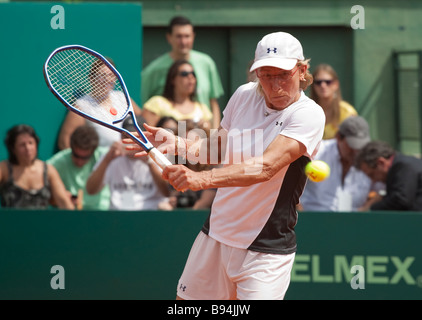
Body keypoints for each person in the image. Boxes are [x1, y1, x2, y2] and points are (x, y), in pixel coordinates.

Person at [125, 32, 325, 299]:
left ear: (302, 71)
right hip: (215, 235)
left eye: (283, 75)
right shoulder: (243, 95)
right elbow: (217, 149)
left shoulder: (308, 114)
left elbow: (265, 168)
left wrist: (201, 180)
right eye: (266, 75)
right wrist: (175, 143)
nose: (275, 85)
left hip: (265, 250)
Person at [141, 16, 224, 128]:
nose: (183, 41)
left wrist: (214, 136)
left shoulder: (207, 63)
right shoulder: (153, 70)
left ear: (193, 36)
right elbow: (142, 109)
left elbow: (213, 103)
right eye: (179, 36)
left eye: (187, 36)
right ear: (169, 37)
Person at [57, 57, 142, 150]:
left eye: (111, 75)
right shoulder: (82, 106)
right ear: (91, 78)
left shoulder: (122, 97)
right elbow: (64, 142)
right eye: (102, 75)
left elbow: (142, 120)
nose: (107, 79)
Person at [0, 124, 74, 210]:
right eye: (22, 145)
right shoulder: (4, 168)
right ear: (13, 148)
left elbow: (63, 201)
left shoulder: (48, 170)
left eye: (30, 143)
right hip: (10, 224)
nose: (28, 148)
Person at [86, 119, 170, 210]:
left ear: (144, 137)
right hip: (120, 215)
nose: (130, 140)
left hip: (150, 213)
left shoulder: (157, 155)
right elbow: (91, 190)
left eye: (135, 137)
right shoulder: (112, 154)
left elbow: (168, 192)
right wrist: (107, 160)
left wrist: (149, 162)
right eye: (126, 136)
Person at [299, 116, 373, 212]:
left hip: (354, 223)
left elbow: (384, 191)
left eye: (361, 146)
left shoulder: (371, 160)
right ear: (338, 137)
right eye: (352, 145)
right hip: (314, 221)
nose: (356, 151)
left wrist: (369, 204)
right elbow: (288, 183)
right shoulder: (315, 152)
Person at [355, 140, 422, 211]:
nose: (373, 180)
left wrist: (370, 208)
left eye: (371, 175)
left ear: (381, 162)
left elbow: (401, 200)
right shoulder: (404, 164)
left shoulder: (402, 166)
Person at [47, 125, 110, 210]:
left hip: (103, 214)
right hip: (72, 217)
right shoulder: (60, 160)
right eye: (76, 156)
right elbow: (40, 171)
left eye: (85, 157)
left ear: (93, 151)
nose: (80, 161)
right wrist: (59, 196)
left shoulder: (106, 156)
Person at [142, 60, 213, 130]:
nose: (190, 77)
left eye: (193, 74)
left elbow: (214, 137)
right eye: (184, 74)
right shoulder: (157, 103)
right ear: (173, 79)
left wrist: (205, 126)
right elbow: (146, 134)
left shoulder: (202, 108)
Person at [310, 64, 357, 139]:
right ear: (313, 85)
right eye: (318, 82)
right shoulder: (307, 110)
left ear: (336, 84)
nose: (323, 85)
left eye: (328, 82)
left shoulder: (347, 112)